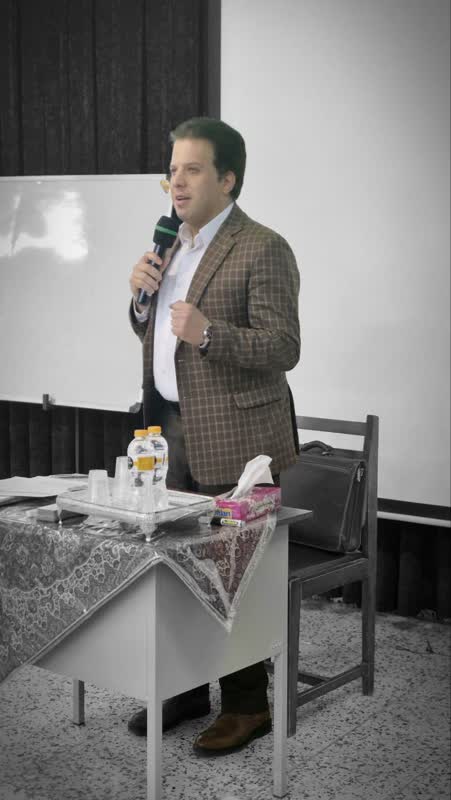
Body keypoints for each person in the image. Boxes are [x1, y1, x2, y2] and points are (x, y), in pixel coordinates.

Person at [128, 117, 300, 756]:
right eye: (172, 170)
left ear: (227, 179)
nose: (177, 182)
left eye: (192, 169)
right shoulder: (169, 244)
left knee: (234, 573)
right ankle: (186, 688)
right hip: (169, 433)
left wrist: (208, 333)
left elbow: (284, 346)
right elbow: (155, 333)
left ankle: (249, 706)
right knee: (173, 568)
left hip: (238, 439)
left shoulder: (262, 247)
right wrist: (139, 301)